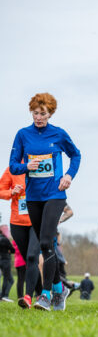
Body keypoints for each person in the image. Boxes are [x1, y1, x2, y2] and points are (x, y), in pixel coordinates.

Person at [9, 92, 81, 311]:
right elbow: (13, 165)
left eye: (43, 113)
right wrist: (25, 167)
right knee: (46, 245)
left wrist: (69, 176)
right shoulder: (23, 135)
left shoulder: (58, 134)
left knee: (44, 242)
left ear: (50, 114)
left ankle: (46, 295)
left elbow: (76, 155)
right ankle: (61, 288)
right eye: (35, 113)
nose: (38, 117)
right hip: (33, 196)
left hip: (55, 195)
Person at [0, 166, 42, 308]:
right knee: (30, 261)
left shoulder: (41, 162)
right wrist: (12, 192)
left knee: (31, 257)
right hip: (17, 222)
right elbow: (1, 191)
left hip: (36, 221)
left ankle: (28, 296)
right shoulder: (12, 168)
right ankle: (41, 293)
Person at [0, 227, 15, 301]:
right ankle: (4, 295)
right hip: (6, 260)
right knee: (7, 279)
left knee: (8, 279)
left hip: (1, 260)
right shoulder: (5, 239)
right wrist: (9, 251)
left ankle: (3, 295)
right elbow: (13, 250)